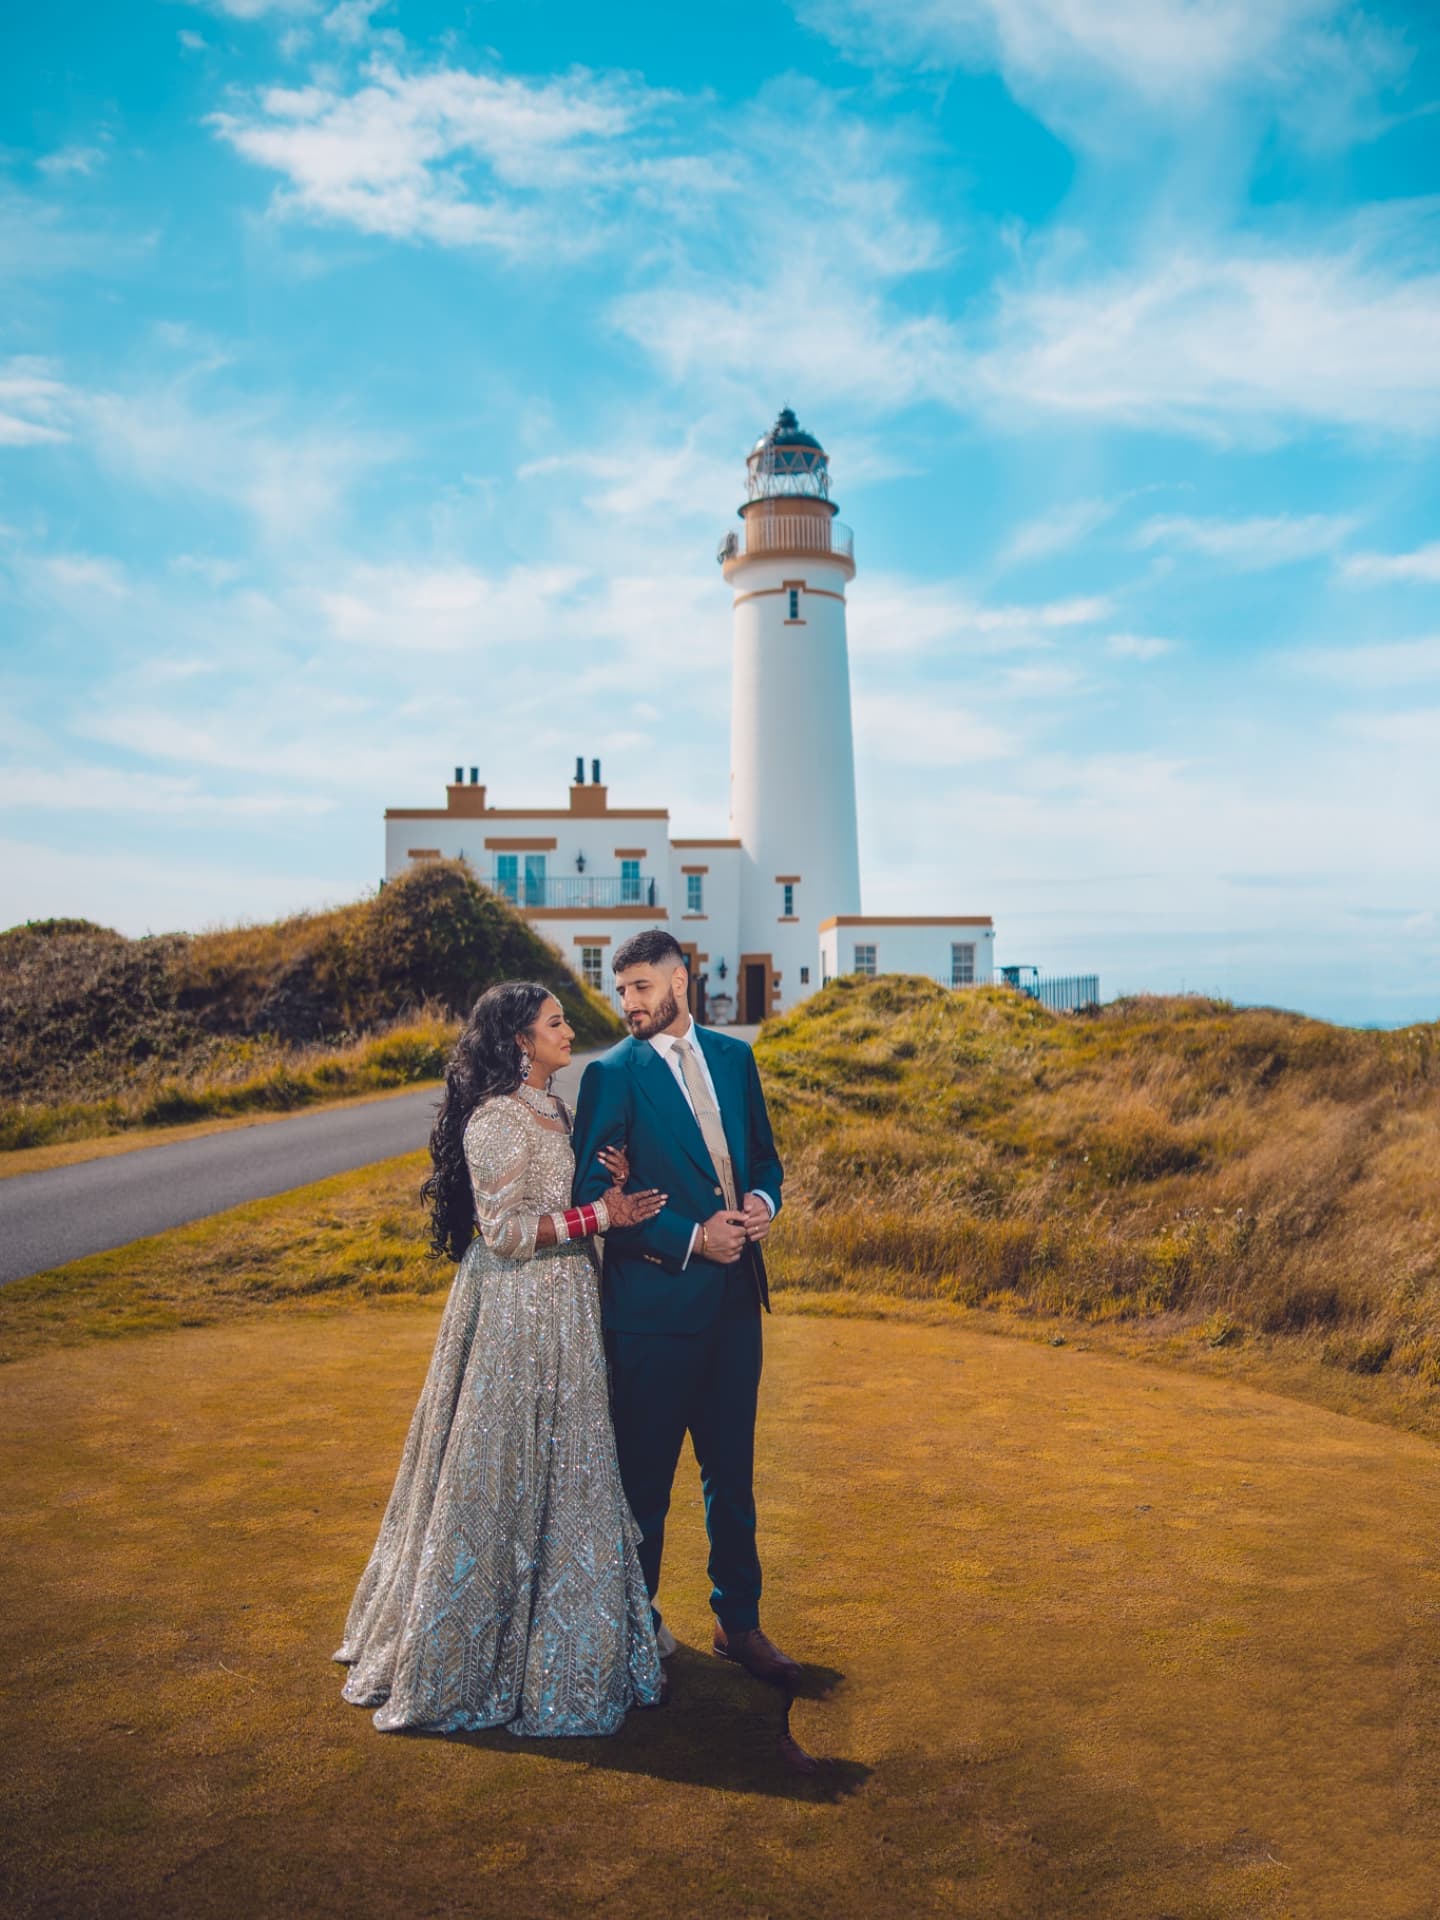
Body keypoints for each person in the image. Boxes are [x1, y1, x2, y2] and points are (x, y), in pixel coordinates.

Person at [334, 981, 667, 1735]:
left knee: (572, 1464)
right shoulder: (495, 1120)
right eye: (555, 1022)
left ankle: (569, 1641)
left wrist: (609, 1187)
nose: (568, 1031)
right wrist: (598, 1214)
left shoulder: (557, 1111)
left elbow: (566, 1202)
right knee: (498, 1466)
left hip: (569, 1304)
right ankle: (468, 1654)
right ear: (520, 1040)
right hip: (512, 1313)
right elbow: (504, 1234)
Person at [570, 929, 800, 1688]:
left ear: (680, 981)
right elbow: (591, 1199)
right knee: (644, 1485)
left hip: (736, 1306)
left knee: (732, 1475)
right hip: (652, 1314)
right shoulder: (612, 1075)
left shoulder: (735, 1058)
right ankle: (633, 1636)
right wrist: (695, 1239)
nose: (628, 1002)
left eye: (640, 986)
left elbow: (764, 1159)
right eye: (620, 990)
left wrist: (762, 1203)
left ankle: (740, 1623)